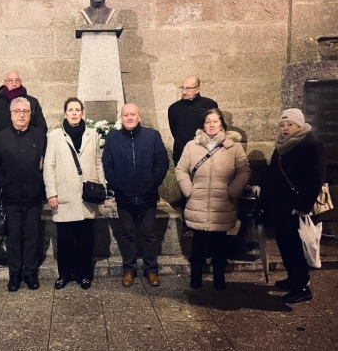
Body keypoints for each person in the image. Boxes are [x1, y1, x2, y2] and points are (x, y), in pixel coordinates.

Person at [254, 108, 326, 304]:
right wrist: (260, 183)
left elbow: (316, 179)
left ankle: (302, 286)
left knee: (296, 246)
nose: (285, 128)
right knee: (285, 243)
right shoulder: (282, 145)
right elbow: (273, 172)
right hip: (281, 207)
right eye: (282, 124)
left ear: (299, 125)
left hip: (297, 208)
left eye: (290, 124)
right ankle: (293, 278)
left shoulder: (311, 145)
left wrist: (302, 206)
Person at [175, 108, 251, 290]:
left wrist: (232, 191)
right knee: (198, 241)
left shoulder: (233, 147)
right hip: (198, 201)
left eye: (215, 121)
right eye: (207, 121)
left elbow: (244, 171)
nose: (211, 125)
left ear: (222, 124)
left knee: (220, 242)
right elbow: (181, 169)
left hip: (221, 202)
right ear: (203, 125)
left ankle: (219, 276)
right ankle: (196, 276)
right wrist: (189, 190)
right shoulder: (191, 146)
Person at [102, 103, 169, 288]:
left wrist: (153, 181)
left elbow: (162, 160)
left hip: (148, 195)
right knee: (127, 234)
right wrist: (118, 184)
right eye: (126, 115)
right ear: (121, 118)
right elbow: (107, 164)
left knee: (149, 233)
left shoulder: (152, 136)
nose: (129, 117)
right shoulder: (113, 139)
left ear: (139, 116)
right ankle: (129, 269)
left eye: (133, 114)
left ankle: (151, 270)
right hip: (125, 196)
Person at [43, 98, 106, 290]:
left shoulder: (92, 134)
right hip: (64, 194)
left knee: (86, 238)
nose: (74, 113)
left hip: (87, 195)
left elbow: (98, 162)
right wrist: (51, 192)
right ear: (65, 113)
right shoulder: (55, 135)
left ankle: (84, 274)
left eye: (77, 110)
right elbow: (49, 165)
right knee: (65, 239)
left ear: (82, 113)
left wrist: (101, 187)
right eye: (70, 110)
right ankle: (65, 274)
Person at [0, 97, 47, 292]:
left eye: (25, 111)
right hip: (11, 196)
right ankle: (15, 273)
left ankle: (30, 272)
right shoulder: (0, 138)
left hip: (33, 195)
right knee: (13, 236)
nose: (21, 115)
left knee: (32, 235)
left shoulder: (40, 136)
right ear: (11, 115)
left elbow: (48, 162)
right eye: (17, 111)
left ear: (30, 114)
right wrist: (3, 183)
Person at [0, 71, 47, 145]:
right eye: (10, 81)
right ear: (4, 83)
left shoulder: (32, 102)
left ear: (21, 82)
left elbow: (41, 126)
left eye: (17, 80)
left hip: (29, 146)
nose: (14, 84)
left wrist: (34, 144)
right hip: (3, 147)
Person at [168, 76, 218, 167]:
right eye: (182, 88)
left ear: (197, 89)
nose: (184, 92)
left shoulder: (209, 105)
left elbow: (216, 129)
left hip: (206, 153)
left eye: (188, 88)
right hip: (183, 154)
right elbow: (174, 132)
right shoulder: (173, 108)